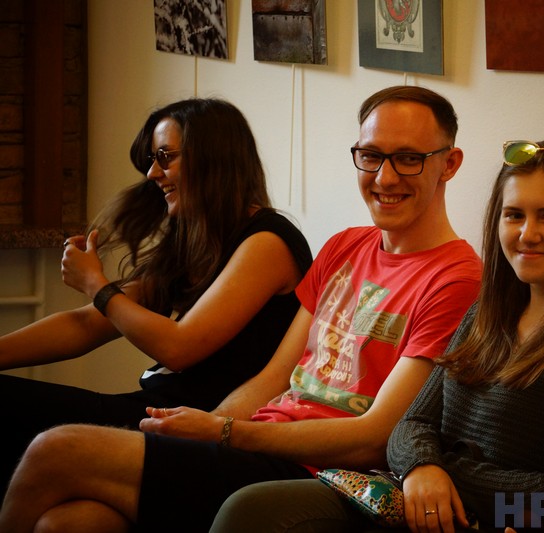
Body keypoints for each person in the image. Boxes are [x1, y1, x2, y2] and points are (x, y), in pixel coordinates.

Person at [0, 85, 482, 532]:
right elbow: (274, 378)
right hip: (253, 441)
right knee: (70, 522)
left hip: (315, 472)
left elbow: (374, 437)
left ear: (450, 163)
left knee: (56, 448)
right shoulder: (345, 247)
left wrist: (225, 433)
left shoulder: (457, 280)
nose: (385, 177)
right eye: (371, 156)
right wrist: (205, 432)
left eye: (409, 159)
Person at [208, 139, 544, 533]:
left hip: (481, 520)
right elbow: (411, 425)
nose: (528, 234)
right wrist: (421, 468)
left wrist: (440, 474)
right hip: (411, 497)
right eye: (514, 215)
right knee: (250, 508)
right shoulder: (485, 316)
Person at [0, 98, 312, 496]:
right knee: (61, 522)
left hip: (196, 428)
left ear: (212, 157)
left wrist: (97, 285)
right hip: (153, 408)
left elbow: (179, 348)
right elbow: (86, 323)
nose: (152, 173)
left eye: (165, 157)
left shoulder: (268, 242)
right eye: (152, 160)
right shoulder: (194, 240)